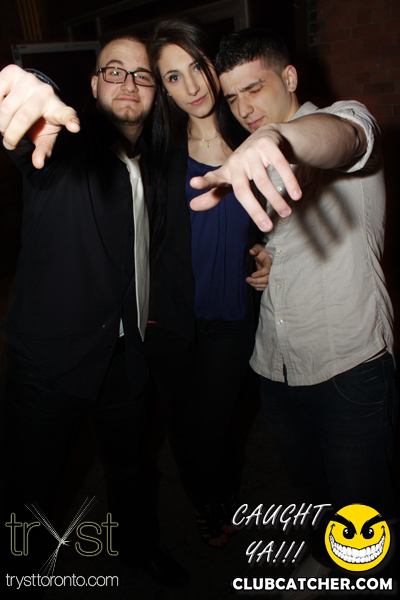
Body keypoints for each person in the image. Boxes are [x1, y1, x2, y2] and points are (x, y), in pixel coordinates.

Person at [190, 26, 398, 587]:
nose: (243, 108)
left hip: (349, 366)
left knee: (363, 510)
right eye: (232, 96)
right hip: (277, 368)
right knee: (313, 495)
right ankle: (329, 561)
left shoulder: (339, 119)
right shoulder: (256, 160)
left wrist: (278, 137)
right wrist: (267, 260)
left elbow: (345, 140)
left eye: (254, 88)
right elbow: (288, 243)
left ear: (289, 77)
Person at [0, 35, 189, 589]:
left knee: (132, 467)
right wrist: (30, 88)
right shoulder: (60, 147)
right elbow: (34, 124)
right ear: (93, 84)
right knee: (28, 489)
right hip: (49, 360)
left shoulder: (155, 161)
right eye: (114, 71)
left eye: (142, 74)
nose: (129, 83)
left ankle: (138, 548)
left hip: (127, 355)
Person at [145, 17, 270, 548]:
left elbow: (281, 218)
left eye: (197, 66)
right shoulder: (157, 150)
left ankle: (220, 497)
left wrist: (271, 253)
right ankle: (207, 503)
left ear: (213, 65)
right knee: (183, 422)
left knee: (213, 422)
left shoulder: (255, 136)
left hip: (232, 313)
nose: (192, 86)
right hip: (170, 317)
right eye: (173, 77)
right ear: (163, 89)